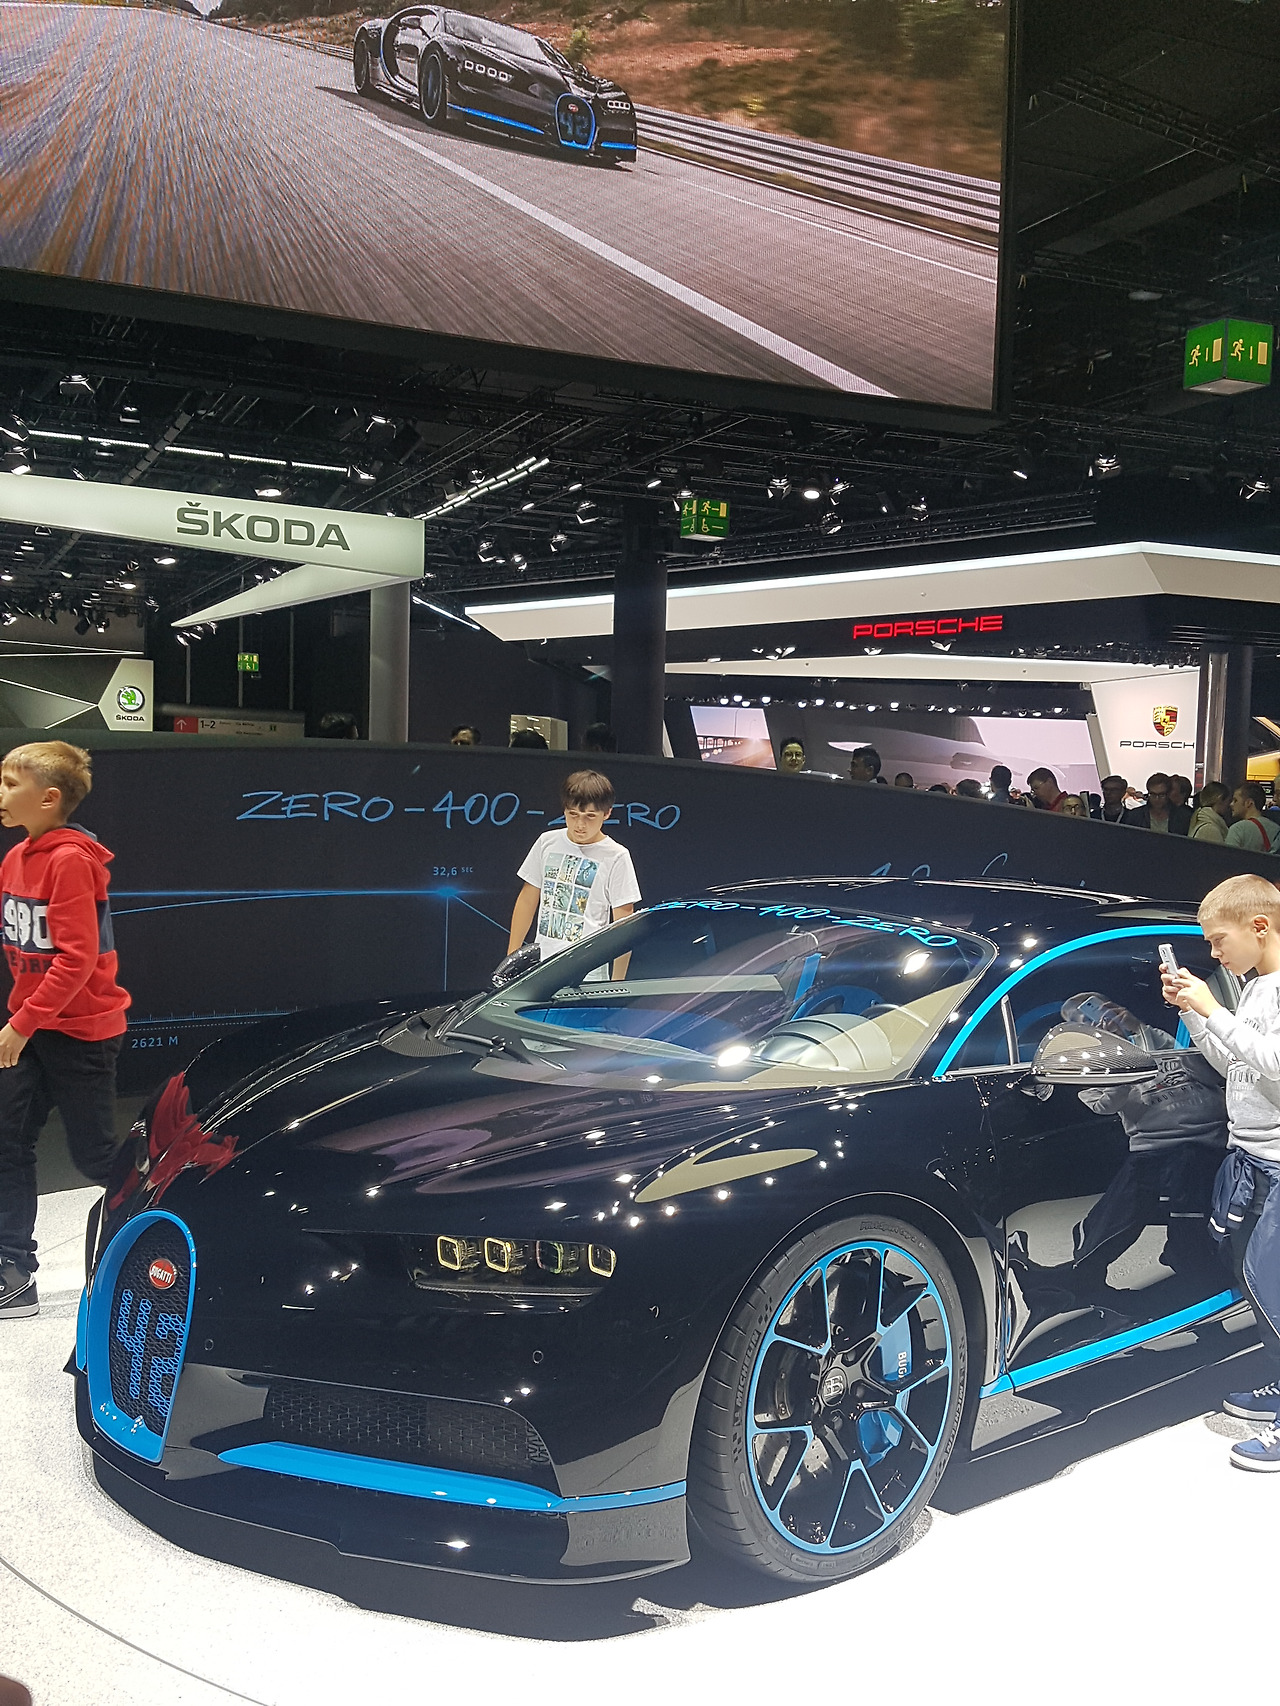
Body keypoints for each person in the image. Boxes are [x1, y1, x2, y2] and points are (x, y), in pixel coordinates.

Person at [0, 743, 130, 1322]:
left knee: (98, 1159)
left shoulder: (71, 861)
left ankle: (171, 1242)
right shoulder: (16, 858)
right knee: (7, 1142)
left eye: (11, 783)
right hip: (32, 1029)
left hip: (80, 1032)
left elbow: (76, 961)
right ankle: (13, 1271)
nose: (1, 793)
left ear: (49, 798)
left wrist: (19, 1025)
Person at [1163, 874, 1280, 1470]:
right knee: (1257, 1282)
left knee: (1273, 1285)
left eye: (1217, 940)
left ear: (1259, 926)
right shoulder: (1256, 988)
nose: (1213, 953)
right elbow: (1237, 1061)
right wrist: (1197, 1015)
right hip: (1252, 1159)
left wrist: (1213, 1009)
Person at [508, 770, 640, 967]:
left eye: (590, 816)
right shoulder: (547, 842)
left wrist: (617, 980)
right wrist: (511, 960)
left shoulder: (616, 855)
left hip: (590, 967)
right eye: (573, 814)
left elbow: (624, 922)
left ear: (607, 813)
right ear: (564, 810)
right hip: (542, 965)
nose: (580, 824)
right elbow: (528, 899)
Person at [1124, 772, 1192, 835]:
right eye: (1153, 795)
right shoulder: (1134, 816)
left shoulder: (1184, 817)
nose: (1157, 799)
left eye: (1161, 795)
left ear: (1168, 794)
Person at [1227, 782, 1276, 854]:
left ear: (1249, 803)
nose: (1231, 804)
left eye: (1235, 800)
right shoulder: (1276, 829)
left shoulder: (1237, 829)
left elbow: (1228, 857)